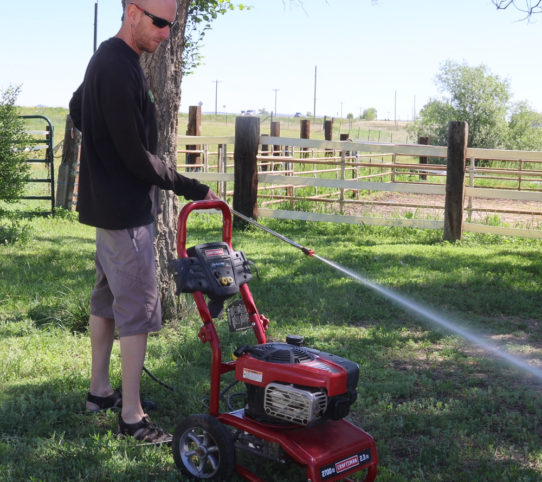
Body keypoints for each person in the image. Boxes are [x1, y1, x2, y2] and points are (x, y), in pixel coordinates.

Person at [69, 0, 219, 444]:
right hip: (125, 212)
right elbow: (136, 157)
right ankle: (131, 417)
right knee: (138, 310)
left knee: (106, 300)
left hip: (108, 211)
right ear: (132, 11)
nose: (165, 33)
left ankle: (100, 392)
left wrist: (101, 148)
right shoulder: (118, 67)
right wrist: (191, 187)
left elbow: (78, 109)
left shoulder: (108, 58)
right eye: (159, 22)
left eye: (170, 25)